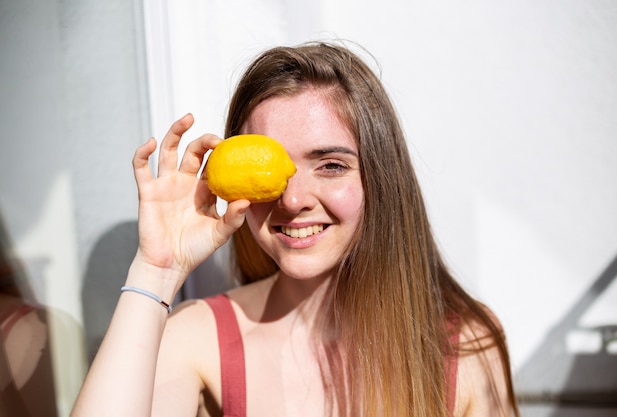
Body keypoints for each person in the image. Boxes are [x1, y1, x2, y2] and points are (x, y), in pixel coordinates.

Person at [71, 42, 520, 417]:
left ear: (381, 177)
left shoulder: (464, 344)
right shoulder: (200, 337)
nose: (291, 199)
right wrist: (155, 270)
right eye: (273, 169)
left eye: (330, 165)